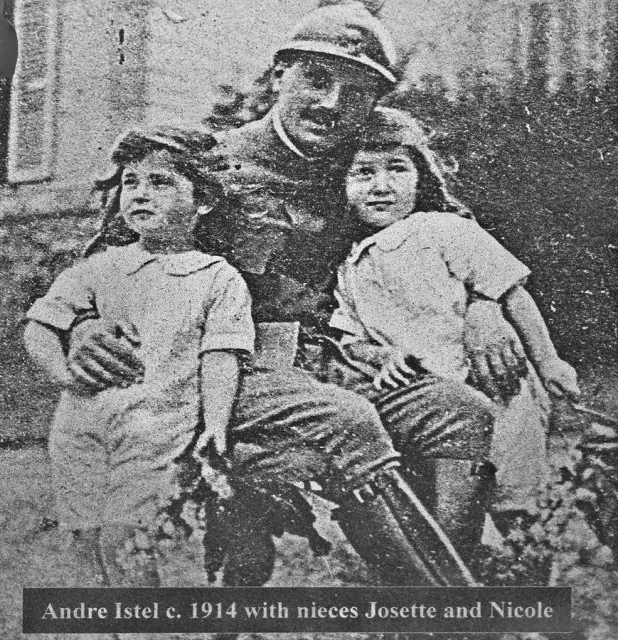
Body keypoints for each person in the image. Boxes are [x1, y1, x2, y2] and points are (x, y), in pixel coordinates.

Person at [62, 2, 506, 586]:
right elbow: (109, 259)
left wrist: (486, 304)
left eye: (355, 93)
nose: (331, 105)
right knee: (347, 422)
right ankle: (440, 601)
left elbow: (451, 225)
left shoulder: (366, 166)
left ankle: (439, 582)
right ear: (279, 76)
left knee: (458, 413)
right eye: (316, 81)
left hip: (336, 359)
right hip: (226, 371)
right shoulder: (210, 160)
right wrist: (85, 327)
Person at [328, 107, 581, 535]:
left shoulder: (442, 230)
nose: (381, 186)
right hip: (436, 401)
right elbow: (350, 336)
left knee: (515, 490)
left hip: (498, 385)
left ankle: (528, 564)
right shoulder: (348, 264)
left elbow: (511, 293)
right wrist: (383, 355)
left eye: (397, 169)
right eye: (363, 173)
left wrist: (550, 362)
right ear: (340, 185)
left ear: (421, 177)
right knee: (455, 502)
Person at [23, 128, 256, 587]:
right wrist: (64, 373)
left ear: (203, 200)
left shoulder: (217, 277)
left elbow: (221, 355)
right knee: (87, 545)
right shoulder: (101, 266)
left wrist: (215, 424)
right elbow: (40, 326)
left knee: (127, 542)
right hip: (79, 428)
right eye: (131, 182)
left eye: (161, 182)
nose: (141, 195)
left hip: (155, 431)